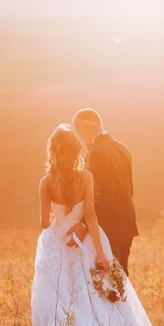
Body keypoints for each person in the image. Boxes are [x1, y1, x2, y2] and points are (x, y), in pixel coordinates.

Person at [31, 125, 164, 326]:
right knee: (89, 289)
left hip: (58, 240)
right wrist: (101, 254)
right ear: (76, 150)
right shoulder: (86, 177)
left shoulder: (45, 182)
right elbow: (92, 216)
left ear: (52, 151)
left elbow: (44, 223)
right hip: (83, 238)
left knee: (62, 289)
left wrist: (58, 214)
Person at [67, 108, 138, 276]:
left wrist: (83, 223)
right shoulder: (121, 148)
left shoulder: (96, 153)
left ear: (86, 128)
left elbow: (96, 194)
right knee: (120, 279)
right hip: (126, 223)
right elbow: (129, 188)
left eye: (78, 133)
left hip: (108, 227)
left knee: (107, 279)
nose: (79, 139)